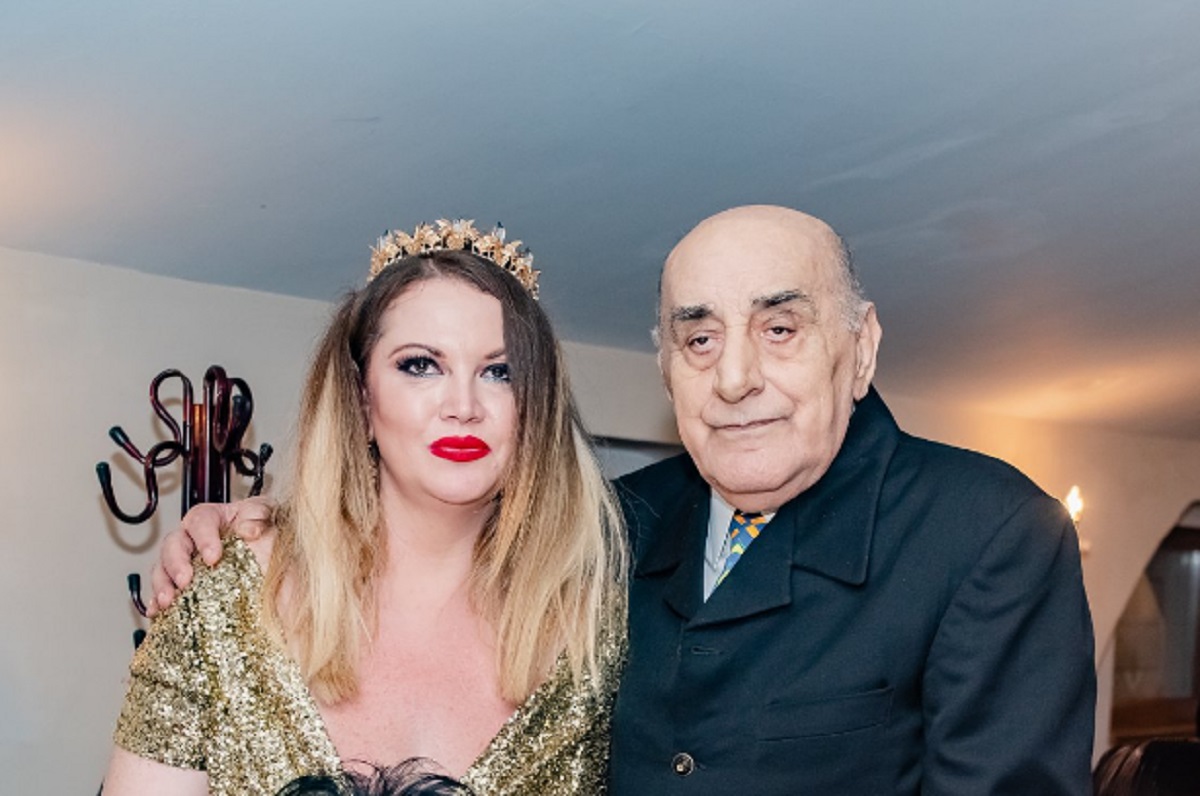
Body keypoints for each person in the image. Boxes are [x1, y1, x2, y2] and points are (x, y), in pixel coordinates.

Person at [147, 206, 1096, 794]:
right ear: (665, 364)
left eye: (779, 327)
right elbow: (431, 537)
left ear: (863, 347)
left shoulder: (985, 529)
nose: (735, 377)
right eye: (699, 339)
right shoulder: (612, 525)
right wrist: (252, 523)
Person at [103, 220, 627, 796]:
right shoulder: (224, 593)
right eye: (420, 365)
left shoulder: (599, 625)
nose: (463, 405)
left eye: (500, 372)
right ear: (360, 398)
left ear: (538, 407)